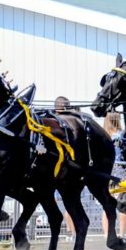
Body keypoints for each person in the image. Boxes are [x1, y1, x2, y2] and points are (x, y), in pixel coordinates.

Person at [102, 112, 126, 238]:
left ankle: (107, 234)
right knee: (122, 205)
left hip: (106, 172)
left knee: (106, 205)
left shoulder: (103, 135)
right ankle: (121, 234)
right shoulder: (122, 135)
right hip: (121, 172)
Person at [53, 96, 76, 239]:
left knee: (66, 204)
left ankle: (70, 232)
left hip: (57, 170)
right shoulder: (69, 126)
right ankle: (71, 232)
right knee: (69, 203)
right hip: (64, 170)